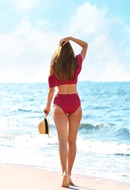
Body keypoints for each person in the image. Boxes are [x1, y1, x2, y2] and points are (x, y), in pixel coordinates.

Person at [43, 36, 88, 188]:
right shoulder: (76, 62)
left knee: (62, 141)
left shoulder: (54, 66)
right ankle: (69, 173)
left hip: (60, 103)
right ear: (70, 51)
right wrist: (71, 39)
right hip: (75, 102)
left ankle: (64, 173)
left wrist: (48, 106)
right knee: (72, 141)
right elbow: (85, 46)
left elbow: (51, 90)